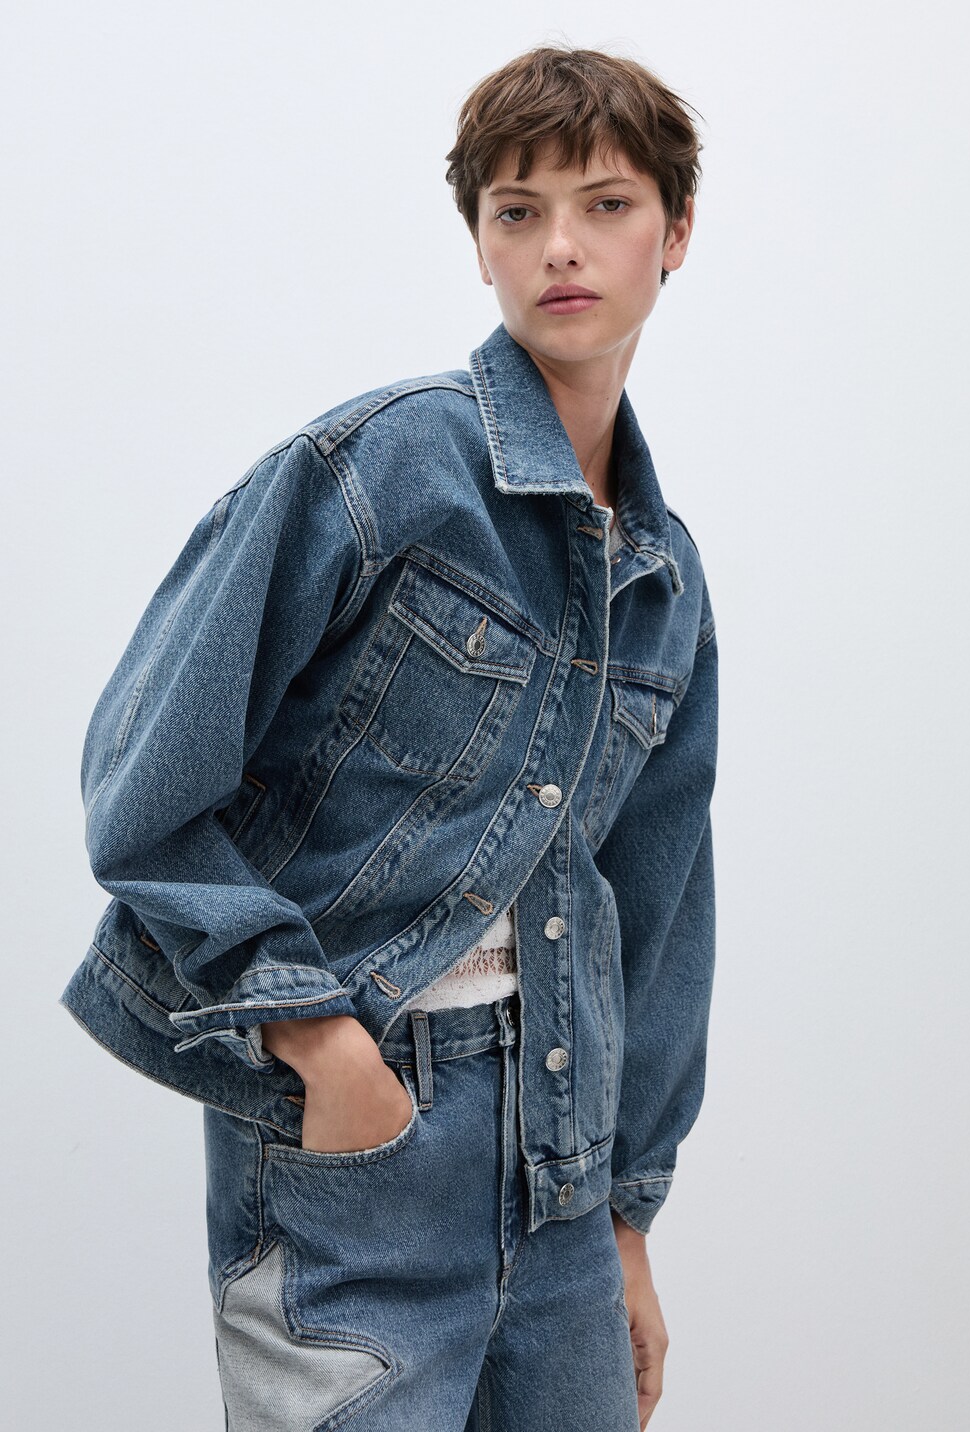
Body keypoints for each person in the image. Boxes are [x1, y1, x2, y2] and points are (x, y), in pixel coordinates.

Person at [60, 42, 718, 1432]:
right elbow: (142, 783)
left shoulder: (664, 577)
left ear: (676, 233)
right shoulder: (378, 469)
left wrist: (626, 1218)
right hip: (361, 1141)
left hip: (563, 1167)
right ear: (480, 244)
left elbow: (657, 911)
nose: (561, 247)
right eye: (518, 211)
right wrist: (318, 1039)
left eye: (606, 205)